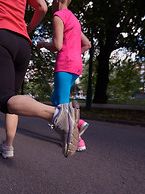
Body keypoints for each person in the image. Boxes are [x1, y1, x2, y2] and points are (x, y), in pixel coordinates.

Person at [0, 0, 81, 158]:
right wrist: (28, 29)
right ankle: (7, 146)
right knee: (12, 99)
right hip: (22, 42)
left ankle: (57, 115)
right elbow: (42, 7)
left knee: (5, 99)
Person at [37, 0, 91, 151]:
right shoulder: (74, 19)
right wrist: (74, 54)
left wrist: (42, 44)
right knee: (55, 99)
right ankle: (77, 123)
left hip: (65, 65)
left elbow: (57, 45)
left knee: (62, 104)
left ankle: (77, 138)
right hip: (76, 65)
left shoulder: (58, 16)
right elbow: (87, 44)